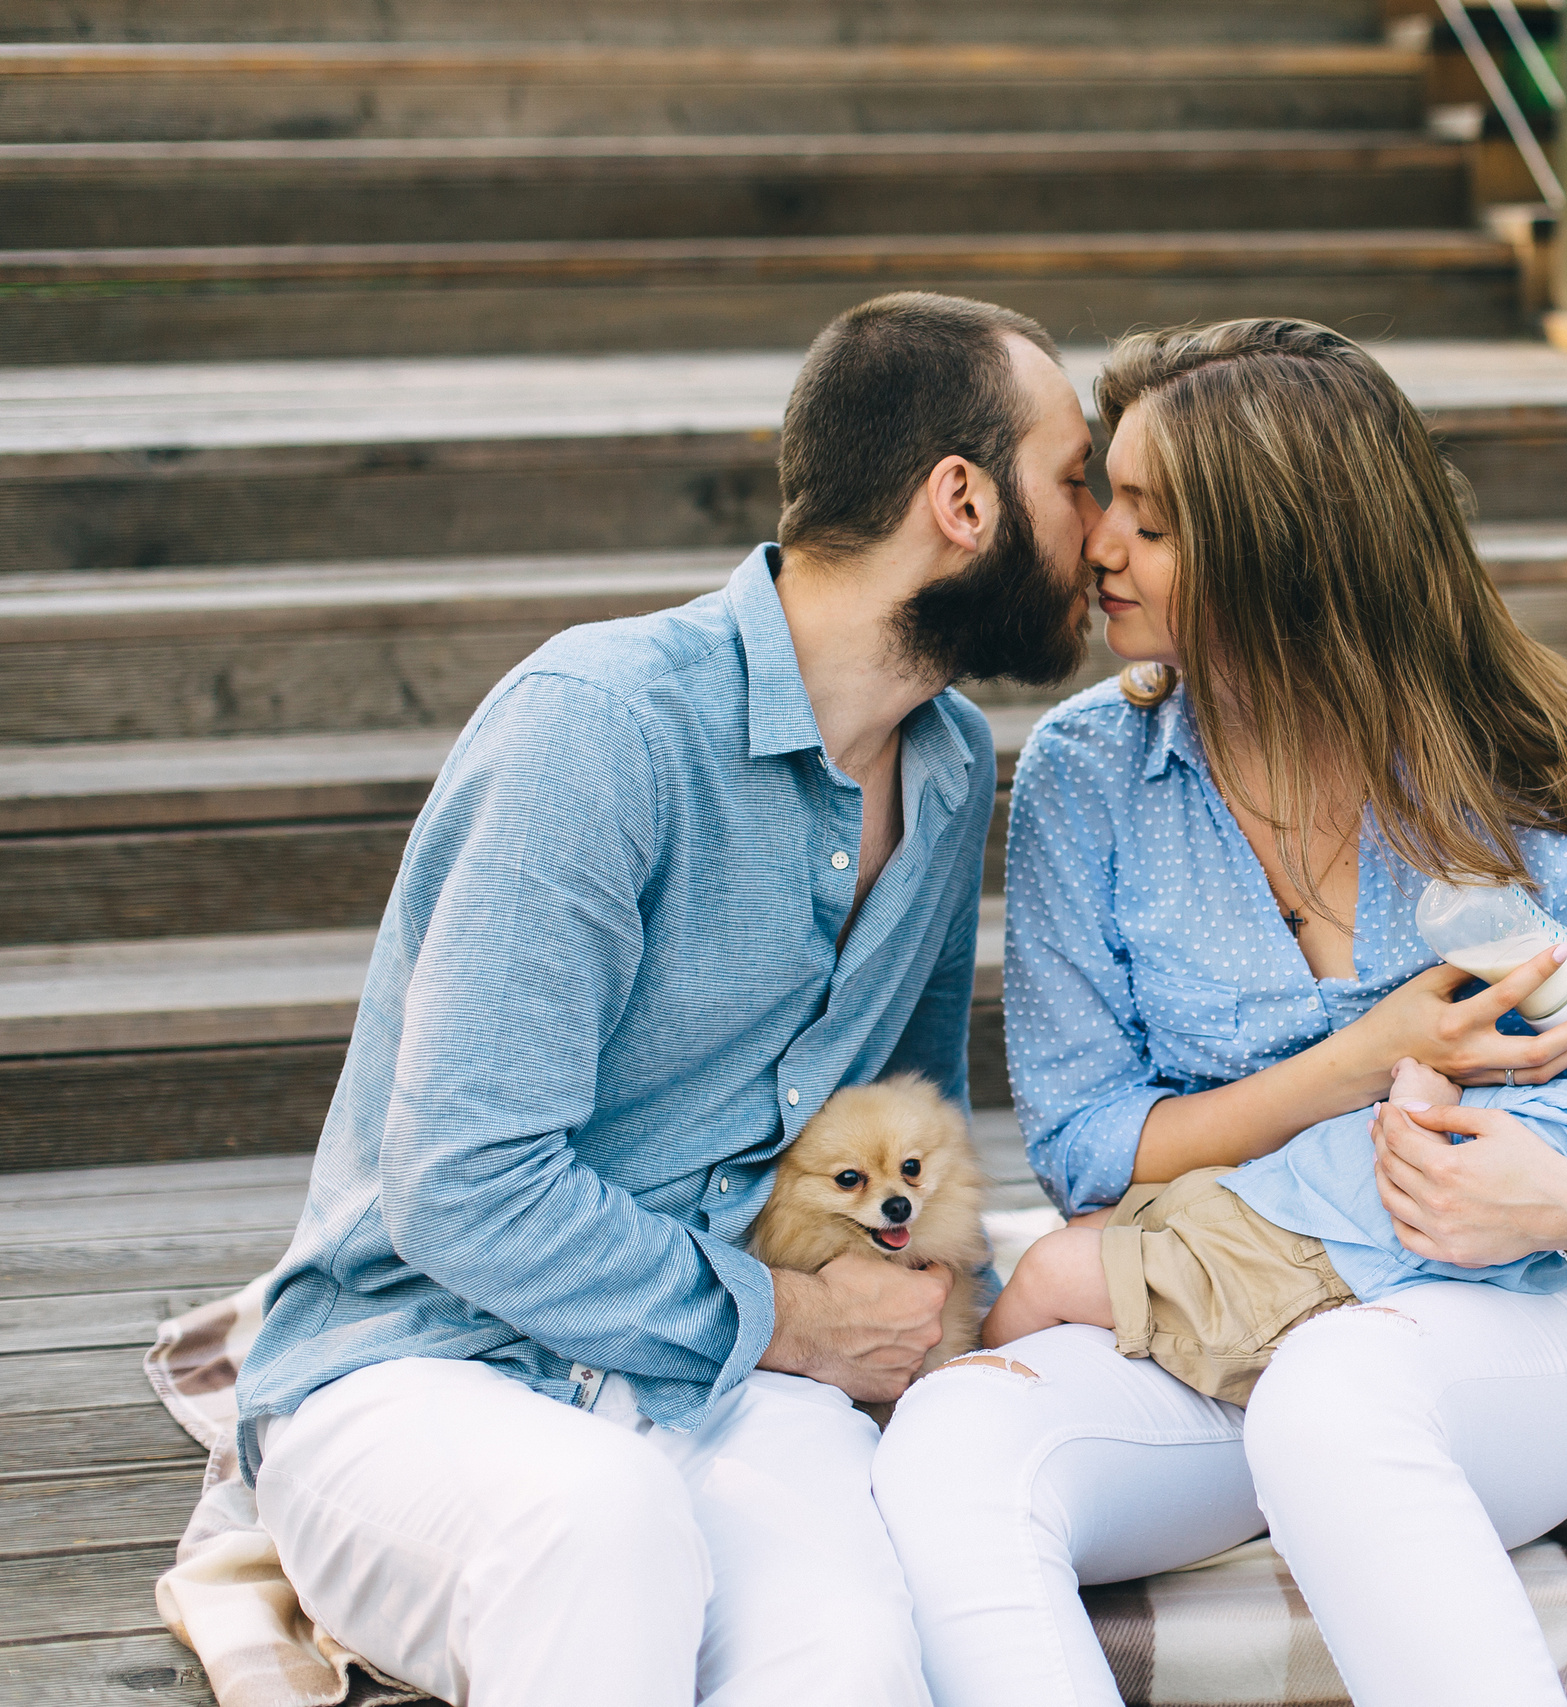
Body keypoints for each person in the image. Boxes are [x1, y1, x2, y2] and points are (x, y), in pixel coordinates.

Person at [872, 318, 1567, 1707]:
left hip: (1496, 1333)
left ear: (1283, 553)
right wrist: (1367, 1058)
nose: (1098, 542)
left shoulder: (1500, 767)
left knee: (1339, 1389)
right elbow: (1087, 1151)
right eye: (1108, 498)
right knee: (951, 1441)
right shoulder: (1087, 772)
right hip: (1212, 1323)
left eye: (1152, 522)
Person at [231, 292, 1099, 1707]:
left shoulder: (947, 769)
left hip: (724, 1389)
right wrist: (794, 1320)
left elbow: (906, 1128)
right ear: (964, 502)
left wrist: (940, 1324)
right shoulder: (600, 725)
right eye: (1077, 478)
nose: (1104, 528)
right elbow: (462, 1185)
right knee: (602, 1523)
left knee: (853, 1655)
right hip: (425, 1363)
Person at [980, 940, 1567, 1403]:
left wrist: (1423, 1084)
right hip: (1269, 1207)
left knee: (1053, 1270)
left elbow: (1456, 1173)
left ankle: (962, 1387)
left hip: (1297, 1273)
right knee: (1102, 1233)